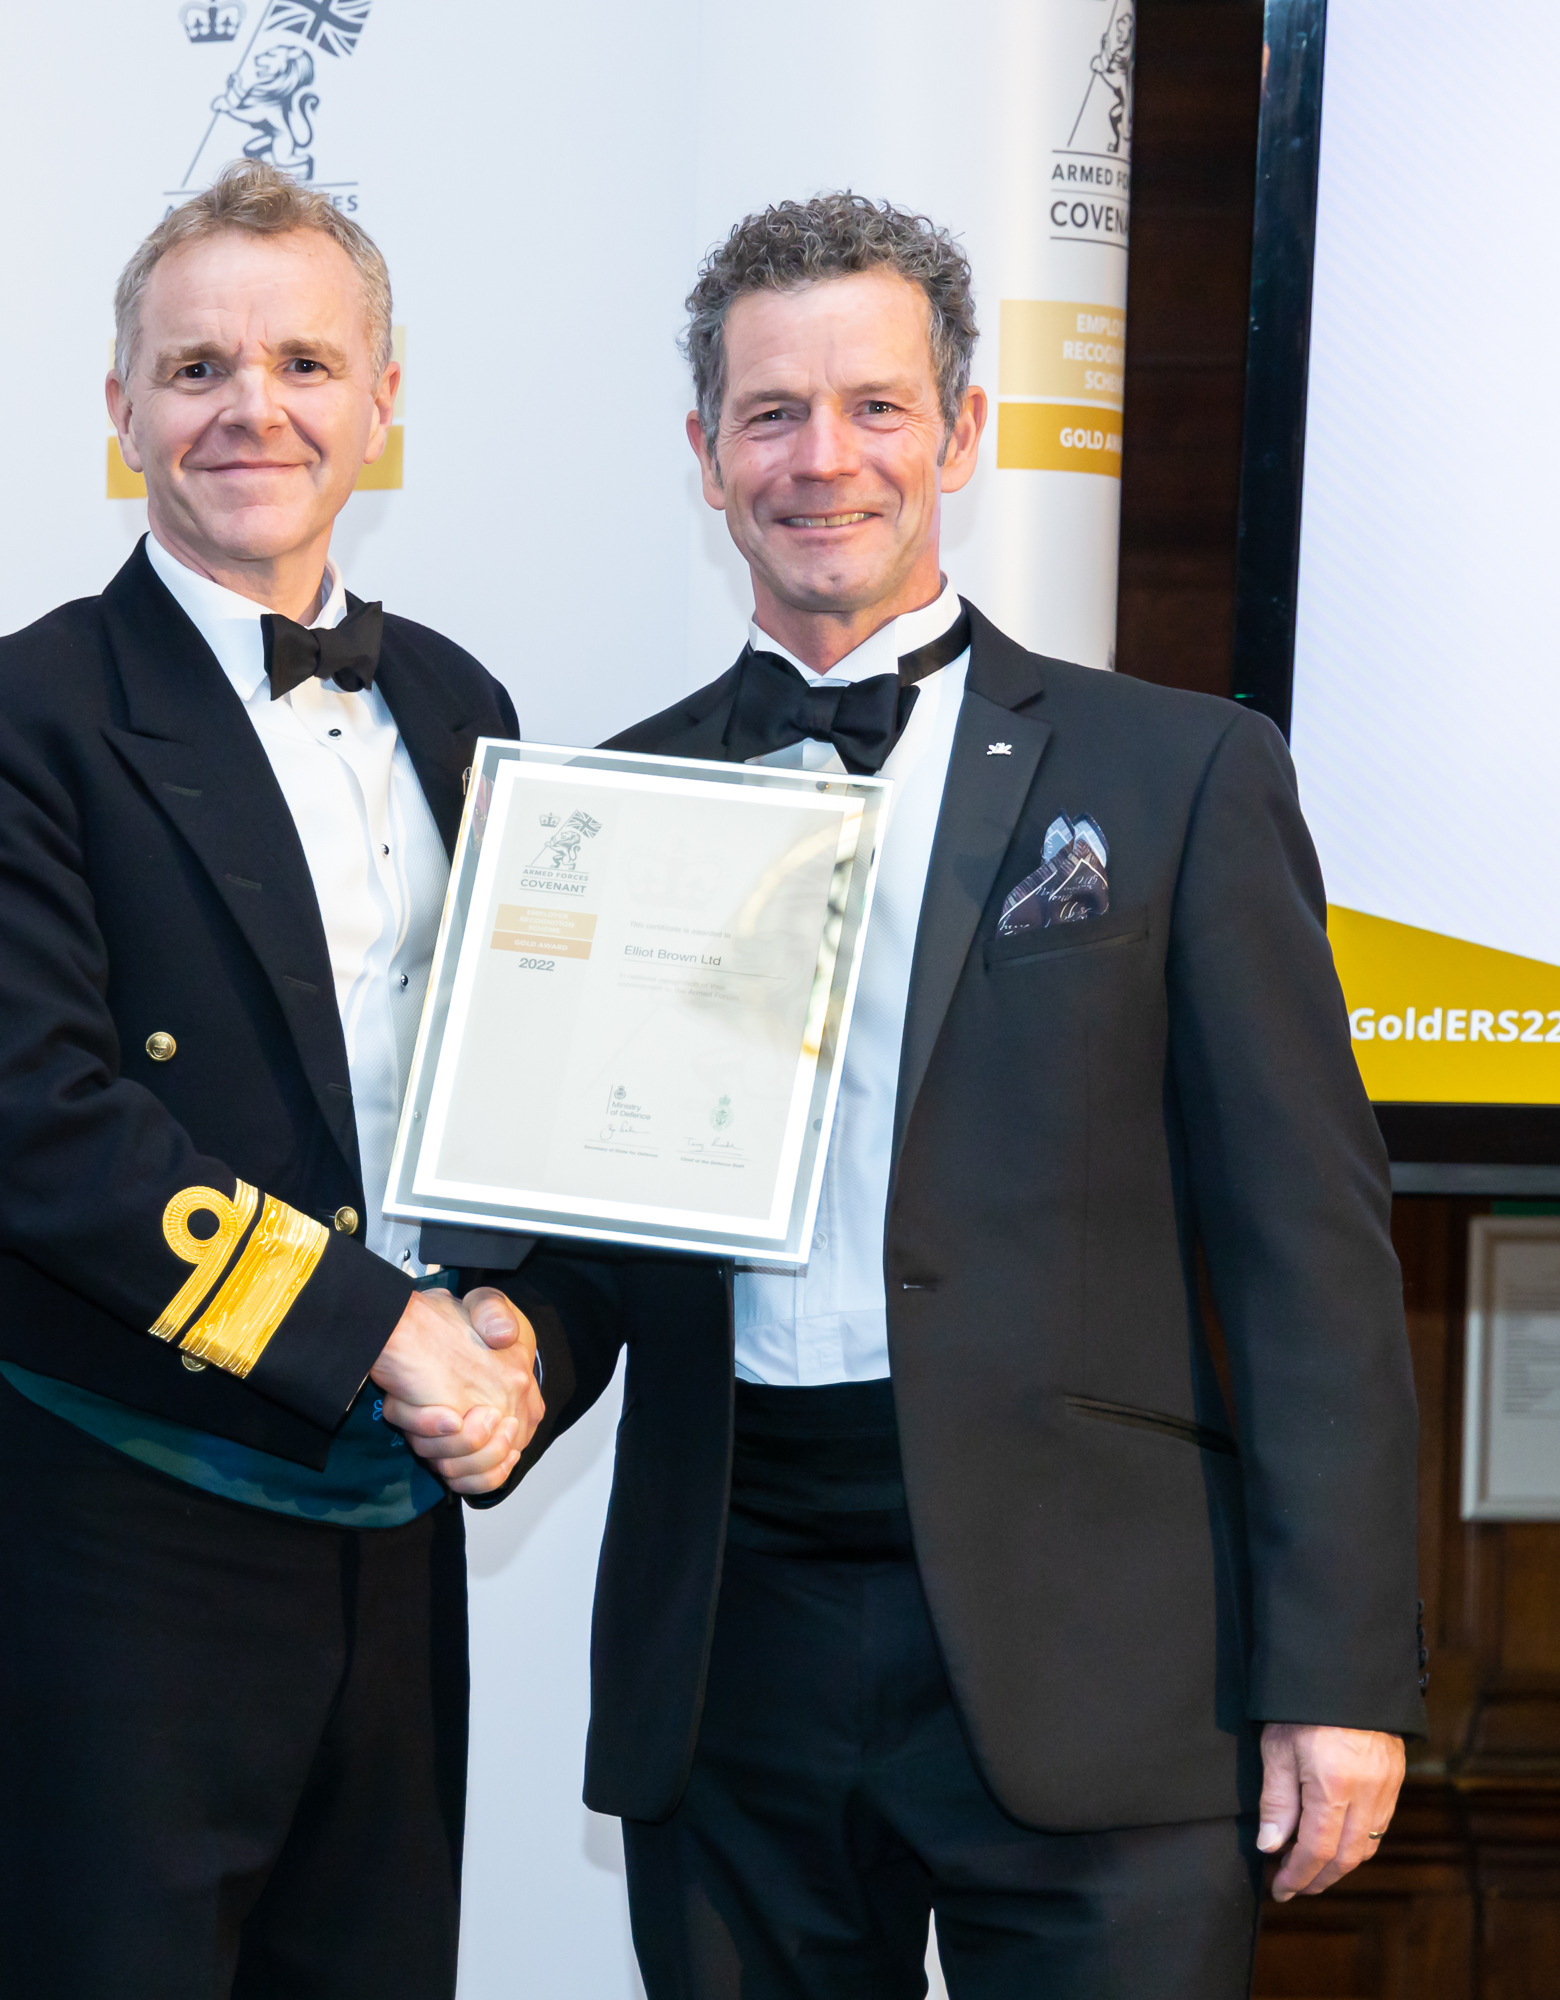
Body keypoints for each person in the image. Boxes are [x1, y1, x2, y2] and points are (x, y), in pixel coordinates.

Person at [519, 193, 1423, 1996]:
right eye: (771, 414)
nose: (823, 459)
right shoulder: (610, 804)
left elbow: (1308, 1256)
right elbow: (587, 1233)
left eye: (875, 406)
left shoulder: (1179, 773)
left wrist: (1336, 1676)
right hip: (735, 1644)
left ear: (963, 431)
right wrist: (489, 1345)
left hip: (1106, 1652)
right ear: (705, 454)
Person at [0, 161, 579, 1997]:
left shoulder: (460, 703)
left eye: (304, 364)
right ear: (121, 409)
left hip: (400, 1529)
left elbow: (513, 1090)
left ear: (383, 403)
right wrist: (379, 1328)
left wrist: (518, 1330)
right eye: (197, 369)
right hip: (132, 1526)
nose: (251, 408)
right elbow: (28, 1132)